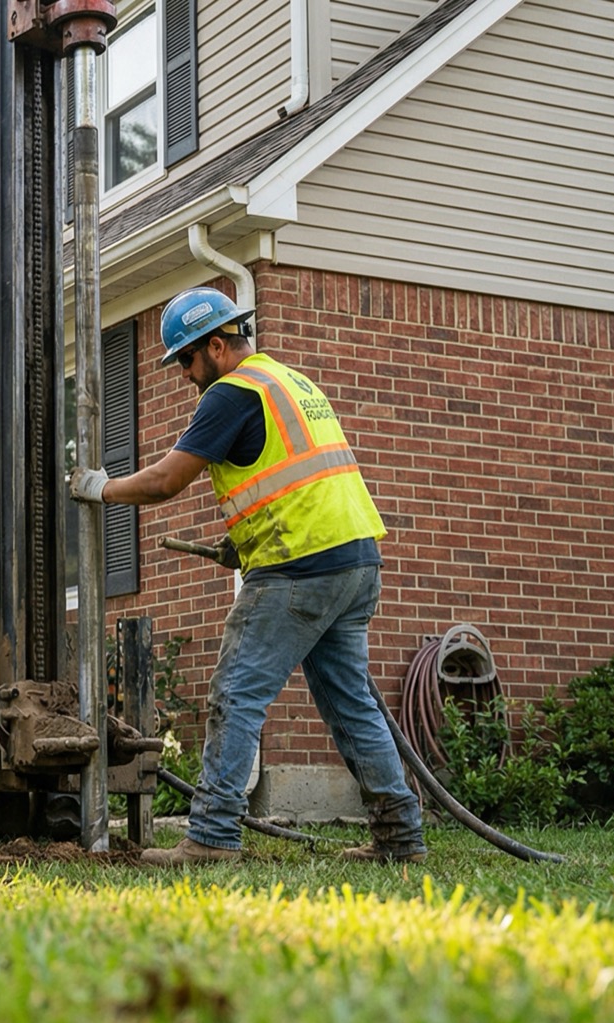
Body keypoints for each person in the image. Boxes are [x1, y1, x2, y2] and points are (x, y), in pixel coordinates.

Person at [68, 287, 425, 866]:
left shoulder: (231, 392)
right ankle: (401, 839)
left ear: (215, 345)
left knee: (236, 694)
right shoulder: (291, 381)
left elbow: (165, 481)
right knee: (351, 702)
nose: (183, 373)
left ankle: (211, 837)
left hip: (300, 567)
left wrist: (99, 488)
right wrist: (243, 540)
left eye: (185, 358)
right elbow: (296, 476)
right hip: (355, 560)